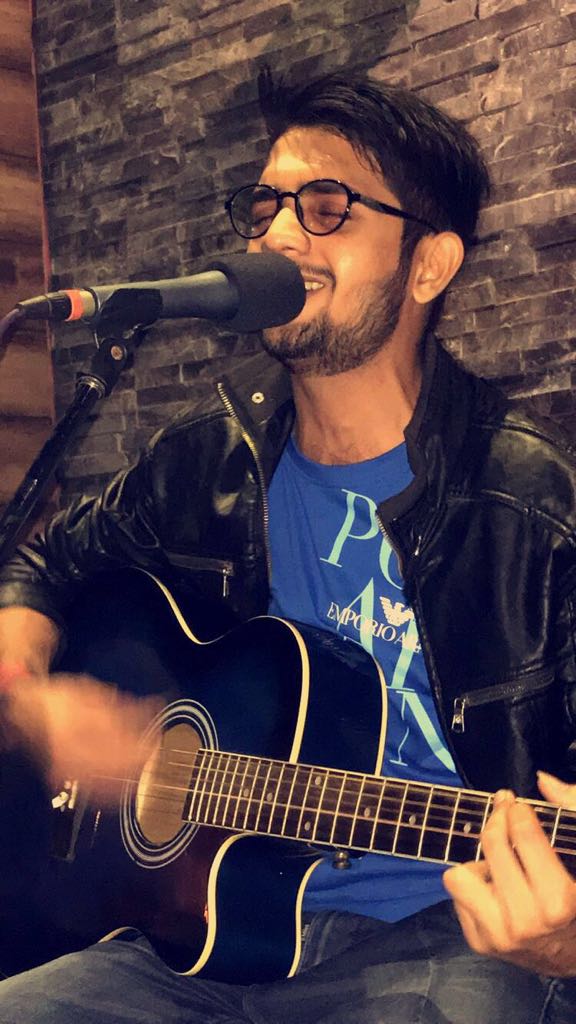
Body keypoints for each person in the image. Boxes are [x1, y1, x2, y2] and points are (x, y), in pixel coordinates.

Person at [0, 69, 574, 1023]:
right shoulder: (205, 459)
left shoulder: (538, 509)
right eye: (266, 206)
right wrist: (32, 698)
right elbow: (41, 565)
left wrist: (565, 940)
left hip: (447, 940)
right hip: (208, 929)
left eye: (326, 207)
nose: (276, 235)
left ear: (429, 266)